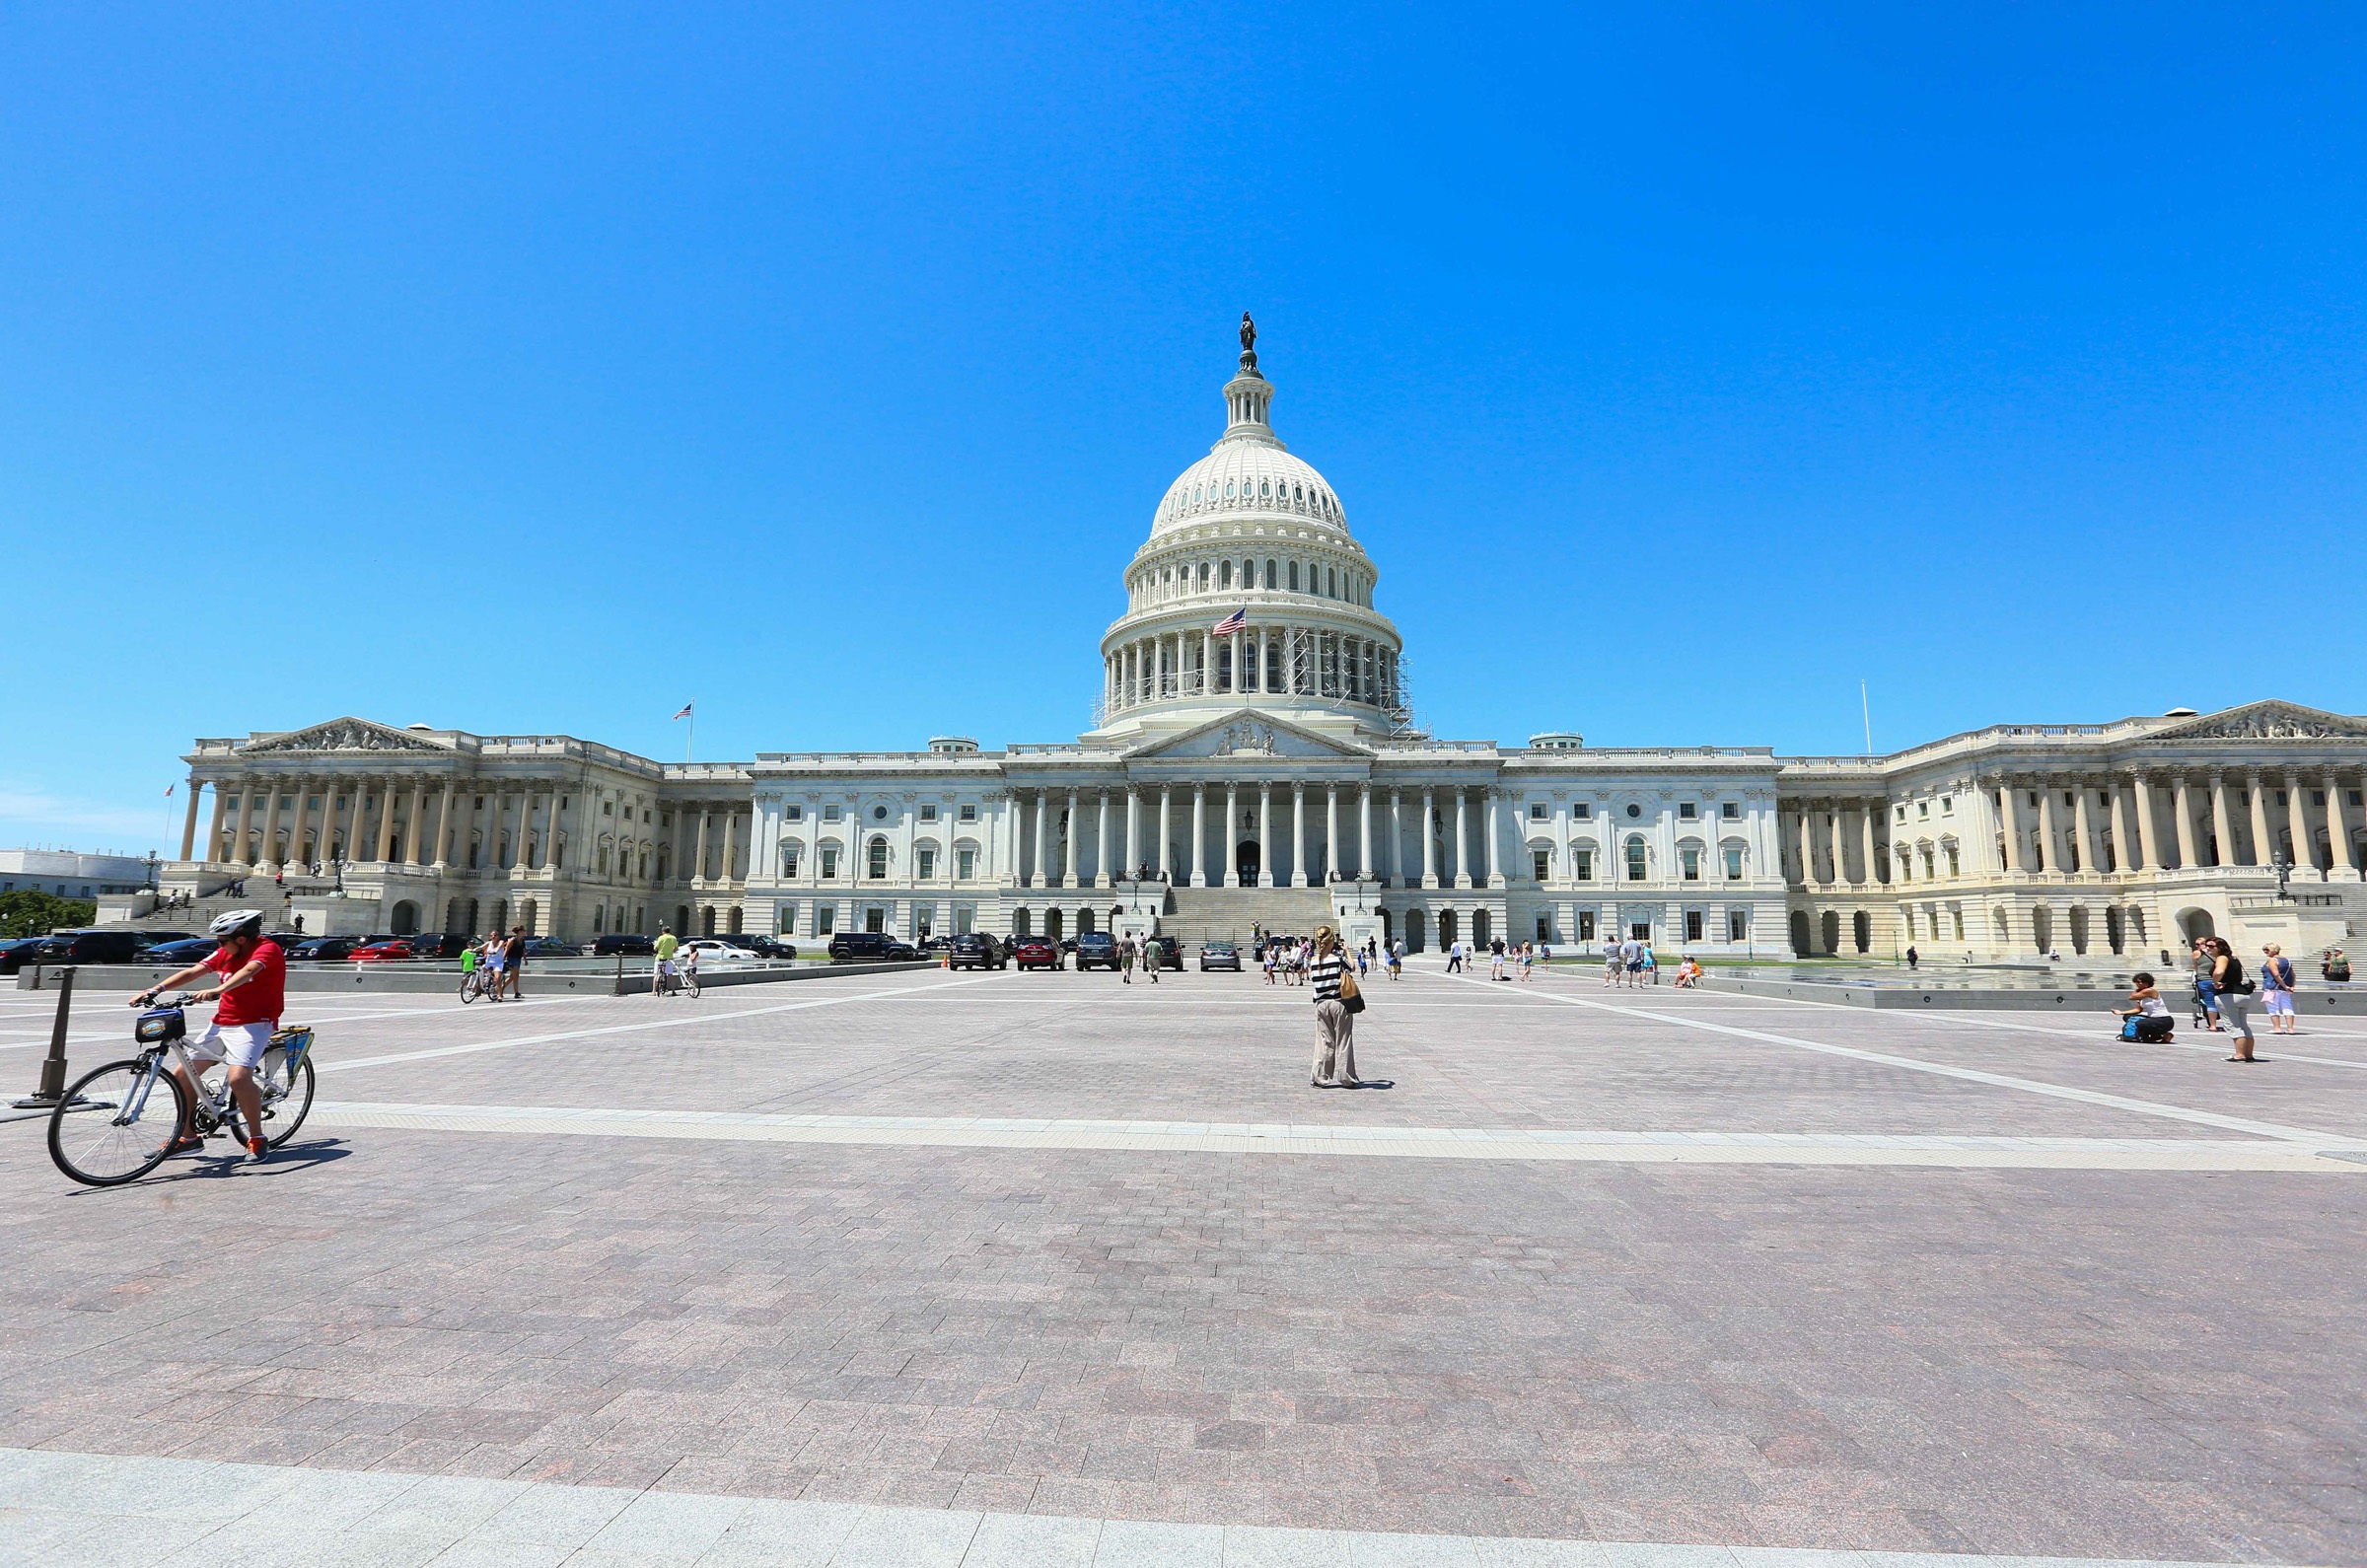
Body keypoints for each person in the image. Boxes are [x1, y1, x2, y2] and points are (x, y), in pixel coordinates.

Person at [128, 909, 285, 1164]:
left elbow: (247, 973)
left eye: (222, 940)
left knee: (238, 1077)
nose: (219, 946)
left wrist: (218, 989)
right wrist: (155, 988)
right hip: (222, 1021)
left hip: (255, 1024)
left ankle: (256, 1138)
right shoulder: (226, 951)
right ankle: (188, 1138)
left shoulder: (267, 950)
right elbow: (194, 971)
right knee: (182, 1075)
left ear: (242, 939)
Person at [1308, 926, 1360, 1089]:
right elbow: (1352, 967)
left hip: (1321, 1005)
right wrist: (1347, 952)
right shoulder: (1337, 959)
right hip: (1339, 1003)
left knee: (1324, 1041)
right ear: (1331, 941)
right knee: (1343, 1040)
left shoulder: (1313, 961)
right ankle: (1346, 1077)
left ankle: (1320, 1076)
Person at [2207, 937, 2260, 1062]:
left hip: (2228, 994)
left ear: (2220, 948)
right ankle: (2248, 1054)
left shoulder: (2221, 958)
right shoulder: (2234, 959)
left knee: (2232, 1025)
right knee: (2243, 1025)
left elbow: (2219, 971)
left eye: (2211, 946)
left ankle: (2239, 1054)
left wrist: (2215, 982)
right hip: (2242, 994)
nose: (2208, 948)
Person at [2112, 971, 2173, 1039]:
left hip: (2163, 1020)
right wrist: (2121, 1012)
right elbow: (2138, 1010)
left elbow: (2132, 997)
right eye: (2137, 982)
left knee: (2140, 1023)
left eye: (2143, 982)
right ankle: (2154, 1036)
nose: (2140, 984)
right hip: (2153, 1019)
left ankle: (2161, 1034)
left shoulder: (2150, 991)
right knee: (2128, 1017)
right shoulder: (2142, 996)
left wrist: (2138, 990)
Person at [2259, 943, 2298, 1035]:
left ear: (2273, 950)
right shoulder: (2287, 960)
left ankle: (2277, 1028)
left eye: (2267, 950)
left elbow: (2276, 975)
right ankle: (2290, 1028)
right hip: (2285, 988)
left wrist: (2285, 986)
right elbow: (2293, 974)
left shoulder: (2272, 960)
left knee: (2273, 1007)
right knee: (2287, 1007)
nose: (2265, 952)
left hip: (2272, 987)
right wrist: (2291, 986)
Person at [2189, 937, 2220, 1031]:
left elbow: (2195, 967)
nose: (2198, 946)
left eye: (2200, 944)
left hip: (2204, 980)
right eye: (2196, 944)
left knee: (2210, 1003)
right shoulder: (2217, 953)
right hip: (2218, 980)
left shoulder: (2197, 953)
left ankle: (2213, 1025)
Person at [501, 924, 527, 1000]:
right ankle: (516, 992)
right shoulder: (512, 940)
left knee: (512, 977)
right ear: (520, 932)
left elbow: (522, 950)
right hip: (512, 959)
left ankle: (499, 989)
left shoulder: (522, 940)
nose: (525, 932)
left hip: (518, 959)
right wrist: (502, 958)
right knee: (516, 976)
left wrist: (525, 959)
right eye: (523, 931)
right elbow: (507, 949)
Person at [653, 925, 680, 997]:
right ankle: (673, 991)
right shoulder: (673, 938)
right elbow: (676, 949)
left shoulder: (661, 938)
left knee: (656, 974)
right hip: (669, 958)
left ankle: (654, 991)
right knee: (670, 974)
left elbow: (655, 948)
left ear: (663, 931)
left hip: (660, 958)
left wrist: (655, 946)